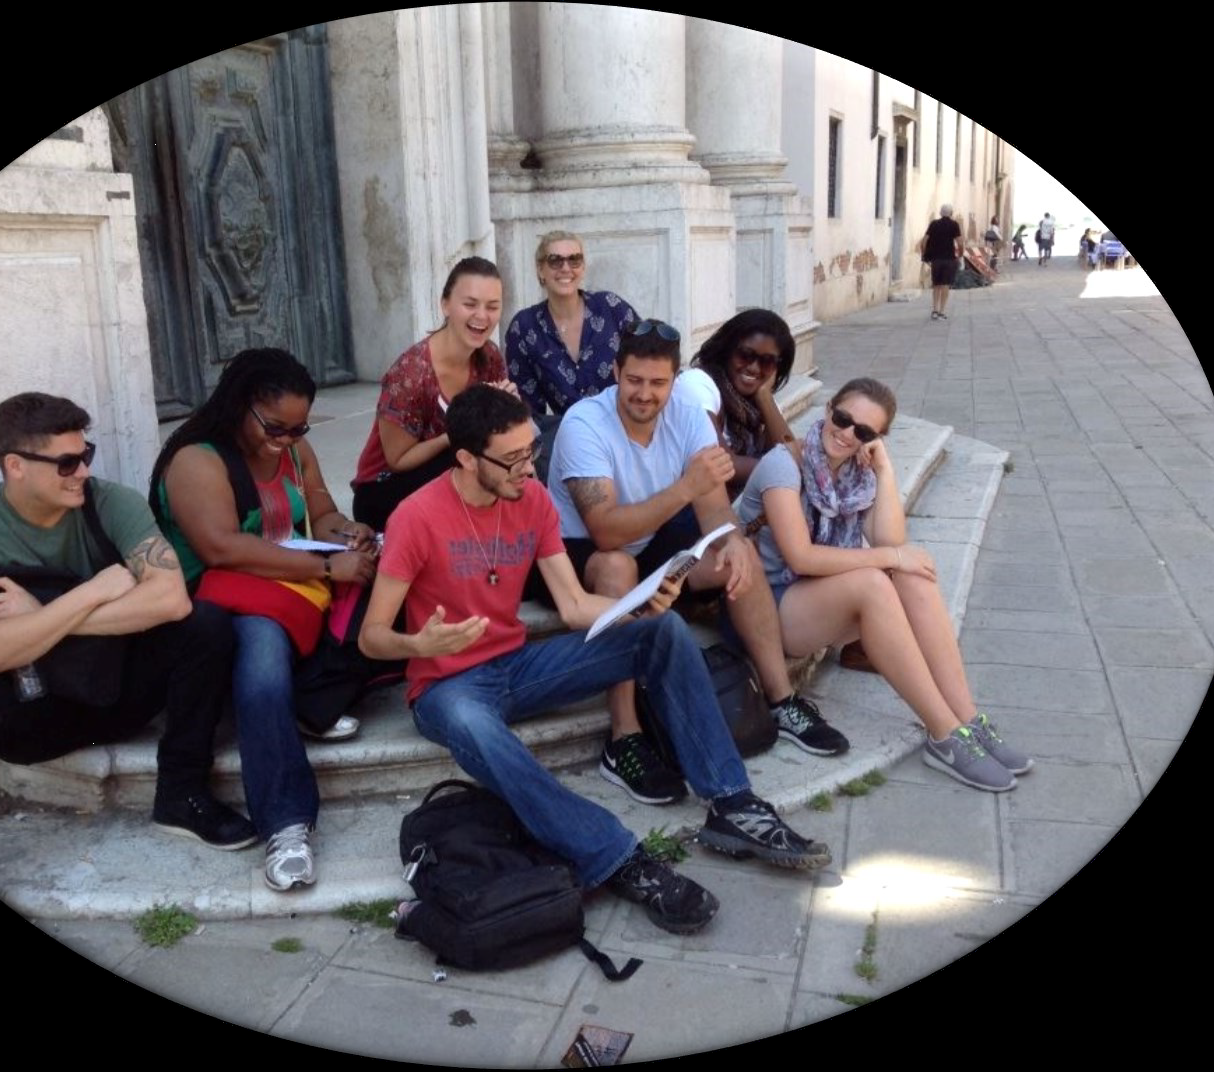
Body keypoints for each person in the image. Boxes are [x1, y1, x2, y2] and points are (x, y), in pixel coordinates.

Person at [358, 385, 831, 936]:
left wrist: (639, 606)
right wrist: (418, 645)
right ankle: (620, 859)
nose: (528, 468)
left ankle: (733, 802)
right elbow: (372, 637)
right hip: (446, 688)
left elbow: (575, 604)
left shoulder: (530, 499)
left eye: (531, 451)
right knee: (474, 726)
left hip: (515, 667)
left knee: (664, 631)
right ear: (466, 458)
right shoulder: (417, 516)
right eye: (511, 459)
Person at [0, 393, 256, 879]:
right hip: (32, 708)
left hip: (115, 690)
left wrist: (40, 615)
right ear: (15, 465)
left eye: (86, 455)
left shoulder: (108, 501)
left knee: (204, 623)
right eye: (65, 462)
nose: (81, 471)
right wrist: (90, 593)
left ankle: (182, 794)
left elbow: (170, 600)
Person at [549, 320, 849, 809]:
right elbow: (605, 529)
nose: (645, 395)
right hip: (587, 548)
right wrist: (687, 488)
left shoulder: (687, 412)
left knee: (739, 554)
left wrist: (730, 538)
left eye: (657, 383)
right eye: (634, 380)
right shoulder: (585, 423)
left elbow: (713, 507)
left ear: (674, 379)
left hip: (656, 535)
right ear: (615, 373)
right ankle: (624, 736)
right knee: (616, 568)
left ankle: (781, 698)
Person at [150, 349, 382, 892]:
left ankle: (311, 699)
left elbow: (320, 509)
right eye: (276, 427)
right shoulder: (198, 458)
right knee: (262, 663)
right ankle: (286, 824)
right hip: (219, 598)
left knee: (386, 586)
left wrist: (347, 531)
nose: (288, 439)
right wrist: (326, 564)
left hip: (290, 580)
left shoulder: (294, 448)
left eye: (299, 427)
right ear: (242, 405)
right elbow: (221, 549)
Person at [733, 377, 1033, 793]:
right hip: (773, 607)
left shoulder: (858, 473)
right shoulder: (784, 465)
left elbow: (891, 541)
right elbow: (802, 557)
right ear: (828, 411)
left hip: (820, 599)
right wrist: (892, 558)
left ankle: (967, 720)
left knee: (911, 575)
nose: (847, 433)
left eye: (864, 431)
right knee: (877, 580)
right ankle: (943, 734)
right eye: (842, 419)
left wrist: (884, 469)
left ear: (876, 438)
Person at [351, 257, 517, 532]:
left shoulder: (490, 356)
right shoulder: (411, 373)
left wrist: (506, 406)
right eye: (470, 304)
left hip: (455, 472)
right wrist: (457, 432)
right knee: (472, 464)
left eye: (492, 306)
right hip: (384, 490)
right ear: (445, 304)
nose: (482, 316)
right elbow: (398, 460)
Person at [504, 230, 639, 421]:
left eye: (574, 260)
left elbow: (649, 352)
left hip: (627, 425)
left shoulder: (610, 306)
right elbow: (529, 409)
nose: (566, 268)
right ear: (540, 269)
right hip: (572, 437)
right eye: (555, 260)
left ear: (582, 268)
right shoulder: (524, 327)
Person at [675, 308, 800, 494]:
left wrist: (765, 397)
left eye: (767, 361)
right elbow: (725, 465)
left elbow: (790, 454)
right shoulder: (698, 383)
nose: (754, 368)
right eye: (745, 355)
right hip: (697, 508)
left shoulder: (757, 398)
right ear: (727, 349)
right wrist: (783, 469)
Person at [921, 204, 964, 320]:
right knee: (945, 285)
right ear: (951, 213)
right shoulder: (954, 225)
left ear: (940, 213)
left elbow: (924, 241)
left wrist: (924, 255)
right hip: (949, 259)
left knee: (936, 285)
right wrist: (960, 255)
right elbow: (960, 243)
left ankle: (934, 310)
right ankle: (942, 311)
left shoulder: (934, 224)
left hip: (936, 259)